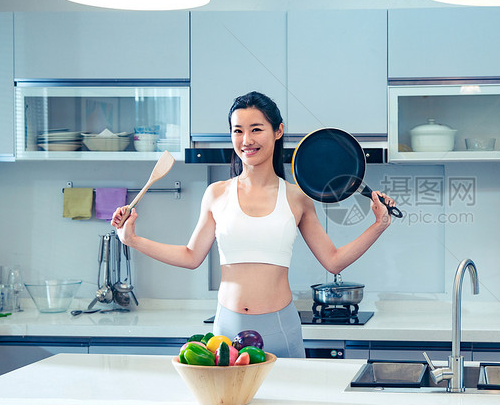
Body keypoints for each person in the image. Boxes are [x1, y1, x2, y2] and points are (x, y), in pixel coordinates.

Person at [110, 91, 395, 358]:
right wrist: (132, 240)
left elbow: (333, 261)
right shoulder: (216, 193)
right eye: (238, 130)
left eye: (256, 129)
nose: (246, 139)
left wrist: (379, 224)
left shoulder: (297, 197)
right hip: (226, 331)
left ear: (278, 131)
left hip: (281, 327)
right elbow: (191, 255)